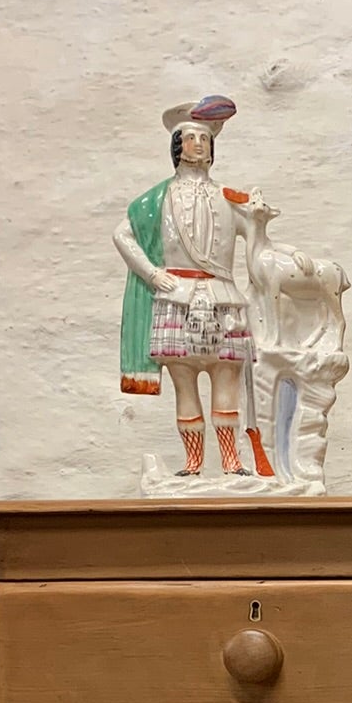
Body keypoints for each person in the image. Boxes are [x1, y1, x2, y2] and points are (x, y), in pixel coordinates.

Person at [114, 96, 269, 477]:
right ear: (176, 146)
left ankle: (231, 460)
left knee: (226, 382)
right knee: (184, 384)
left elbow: (256, 256)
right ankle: (193, 462)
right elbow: (122, 235)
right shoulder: (155, 200)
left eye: (204, 138)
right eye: (190, 137)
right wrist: (152, 275)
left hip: (223, 300)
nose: (198, 144)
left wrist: (259, 222)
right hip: (177, 298)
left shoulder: (231, 199)